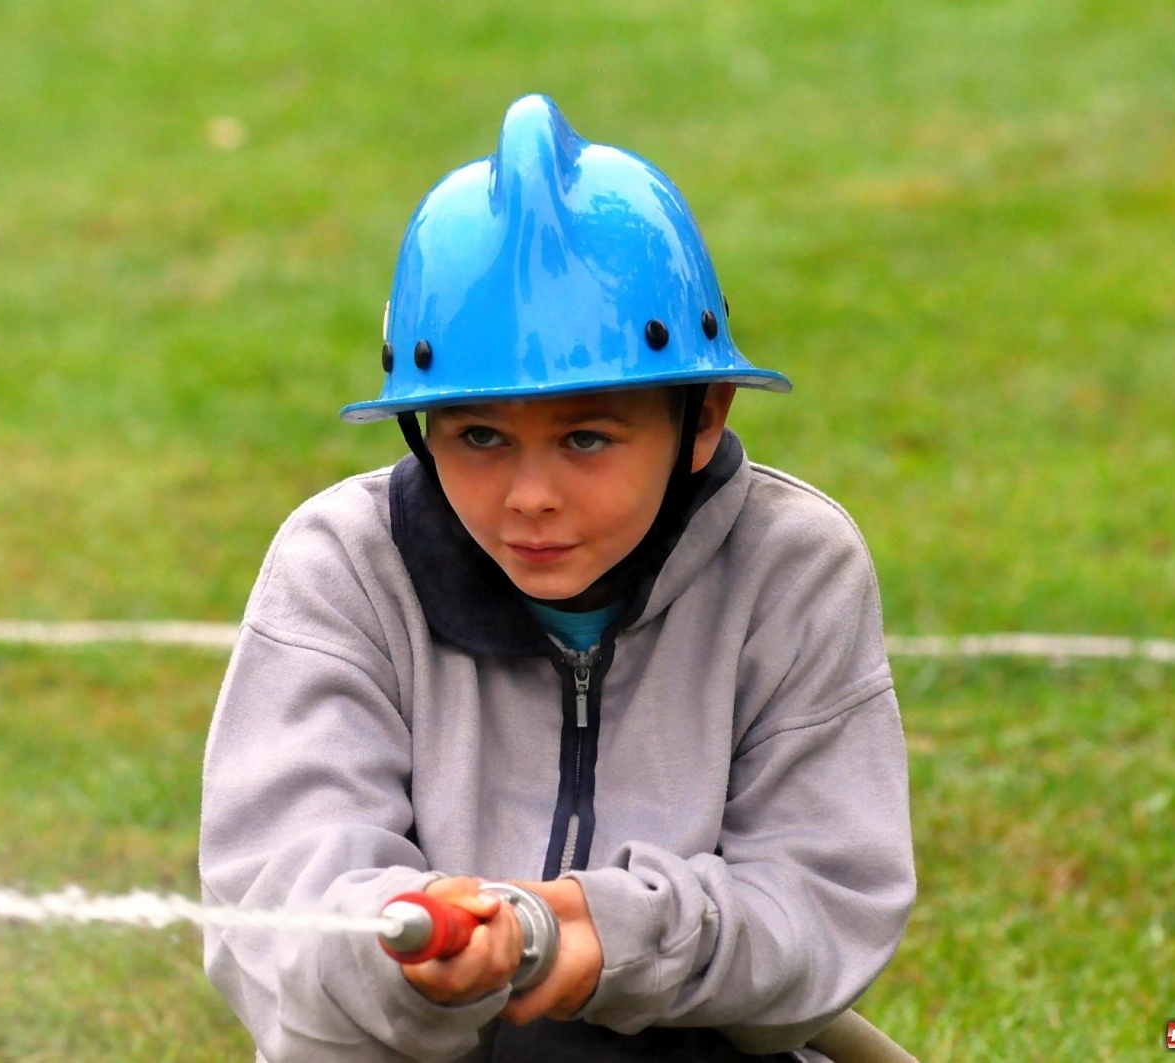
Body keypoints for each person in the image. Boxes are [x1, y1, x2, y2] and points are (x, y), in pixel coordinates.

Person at [200, 94, 915, 1063]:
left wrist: (609, 930)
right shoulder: (341, 566)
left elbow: (820, 899)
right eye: (478, 436)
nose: (529, 497)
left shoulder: (791, 567)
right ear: (421, 428)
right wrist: (402, 949)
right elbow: (280, 898)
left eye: (586, 438)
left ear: (703, 417)